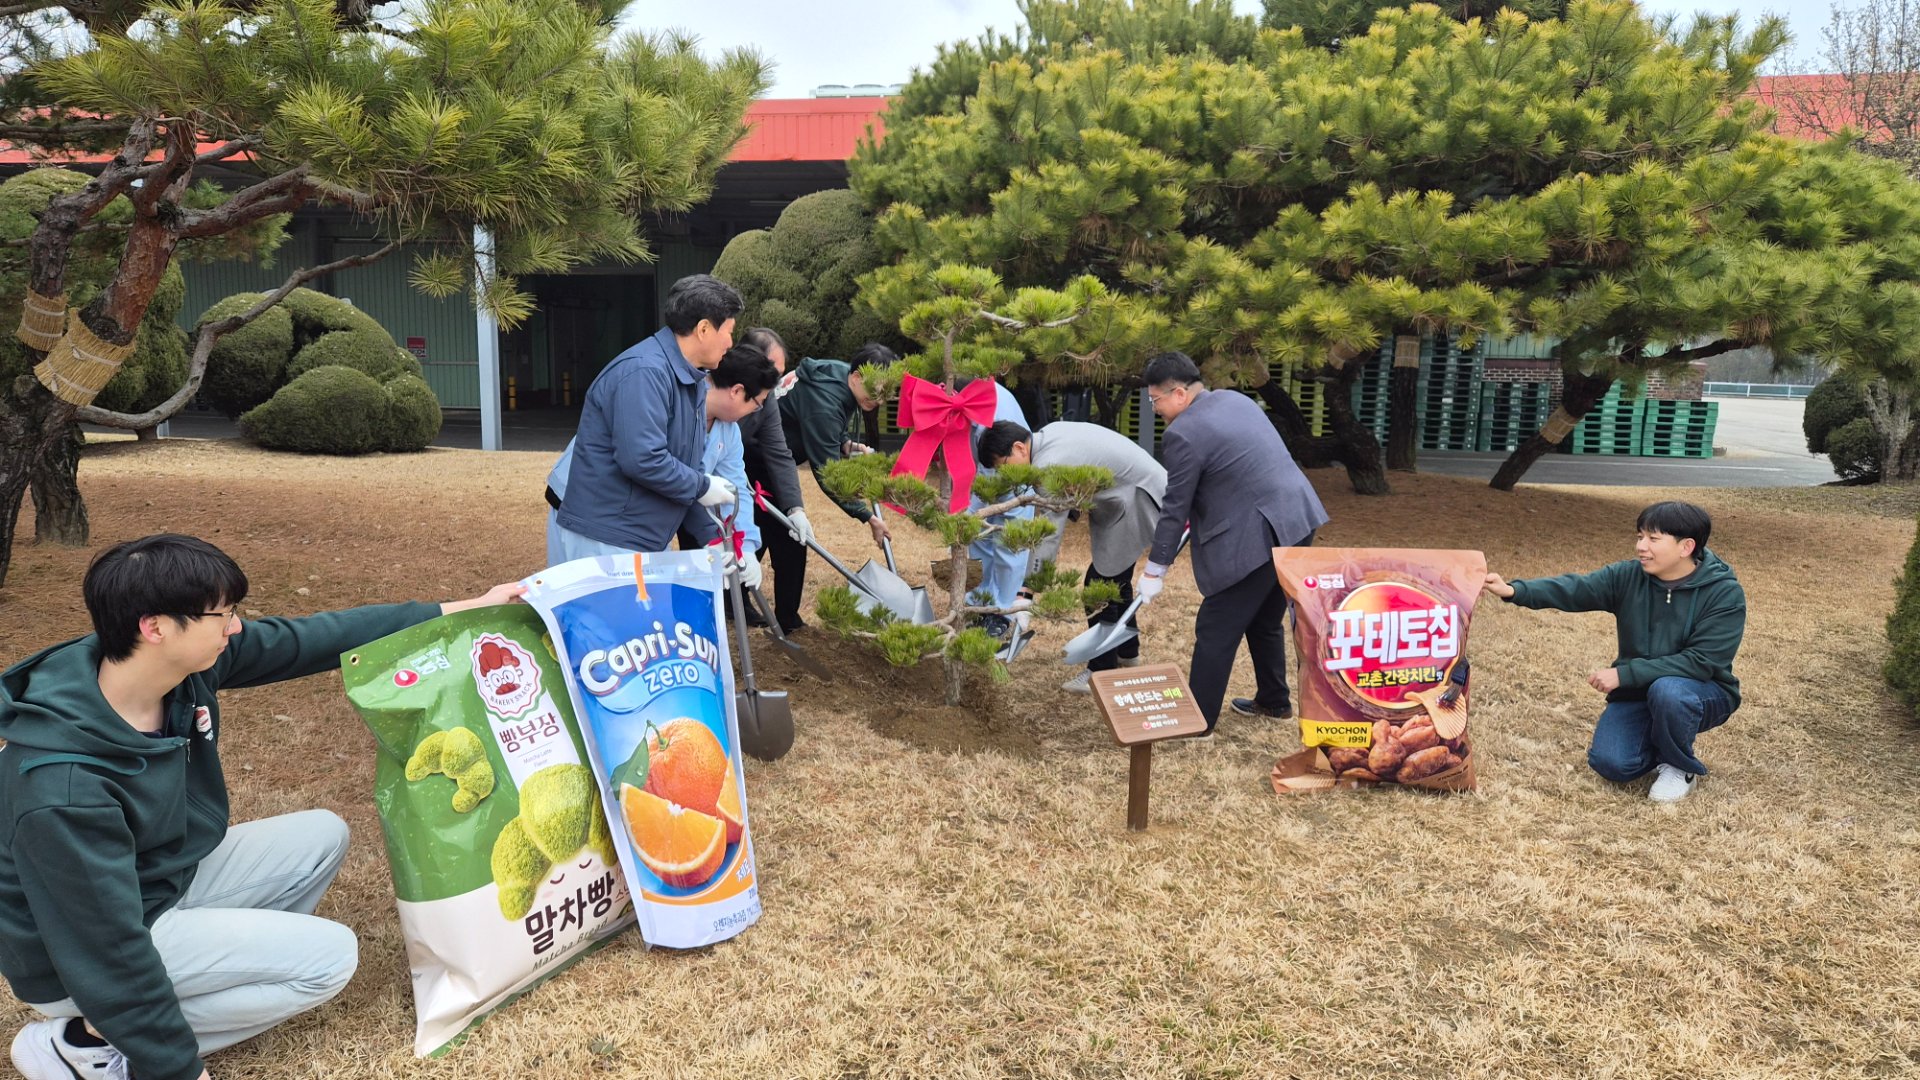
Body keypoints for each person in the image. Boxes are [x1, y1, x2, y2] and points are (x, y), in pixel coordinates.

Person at [0, 534, 521, 1080]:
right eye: (222, 615)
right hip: (73, 958)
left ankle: (188, 986)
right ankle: (86, 1043)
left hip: (153, 882)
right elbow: (107, 951)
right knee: (328, 960)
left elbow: (310, 638)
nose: (236, 627)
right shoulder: (62, 787)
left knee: (323, 835)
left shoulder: (176, 669)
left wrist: (461, 608)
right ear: (155, 627)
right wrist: (179, 1070)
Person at [1481, 501, 1745, 802]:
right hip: (1638, 693)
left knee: (1669, 692)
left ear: (1686, 547)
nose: (1641, 546)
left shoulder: (1724, 593)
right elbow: (1576, 589)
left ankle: (1678, 765)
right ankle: (1660, 740)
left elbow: (1701, 662)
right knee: (1612, 764)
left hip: (1701, 692)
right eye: (1640, 536)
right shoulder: (1628, 576)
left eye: (1653, 539)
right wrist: (1514, 590)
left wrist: (1624, 674)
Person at [1135, 351, 1328, 733]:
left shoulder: (1182, 433)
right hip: (1297, 516)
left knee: (1216, 625)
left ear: (1178, 394)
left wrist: (1155, 570)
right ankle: (1274, 700)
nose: (1155, 409)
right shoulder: (1234, 400)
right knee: (1264, 617)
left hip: (1258, 531)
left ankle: (1197, 721)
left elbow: (1175, 506)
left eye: (1155, 400)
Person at [552, 274, 744, 560]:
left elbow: (684, 470)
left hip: (639, 538)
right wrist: (703, 486)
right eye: (728, 331)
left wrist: (712, 538)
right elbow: (642, 459)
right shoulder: (644, 372)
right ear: (704, 329)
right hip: (608, 538)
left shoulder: (690, 379)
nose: (730, 342)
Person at [977, 420, 1167, 692]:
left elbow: (1049, 534)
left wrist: (1026, 592)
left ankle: (1100, 673)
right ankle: (1128, 653)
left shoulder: (1049, 466)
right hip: (1132, 493)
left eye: (1003, 467)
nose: (1005, 476)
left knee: (1099, 584)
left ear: (1019, 448)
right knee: (1115, 579)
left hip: (1140, 498)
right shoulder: (1049, 435)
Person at [675, 342, 783, 589]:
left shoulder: (729, 431)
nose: (756, 411)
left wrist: (746, 546)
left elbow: (736, 489)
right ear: (736, 391)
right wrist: (710, 537)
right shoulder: (680, 406)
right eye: (757, 403)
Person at [738, 327, 814, 631]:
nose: (776, 382)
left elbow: (779, 452)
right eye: (772, 372)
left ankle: (786, 615)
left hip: (754, 473)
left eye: (780, 374)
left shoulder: (767, 397)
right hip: (714, 478)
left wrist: (796, 508)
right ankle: (728, 604)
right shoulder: (717, 389)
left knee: (786, 533)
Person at [780, 342, 888, 551]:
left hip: (775, 463)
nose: (880, 400)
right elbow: (828, 472)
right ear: (857, 377)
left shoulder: (839, 374)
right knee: (785, 544)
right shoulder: (824, 404)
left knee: (790, 546)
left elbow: (832, 423)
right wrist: (869, 517)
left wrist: (845, 442)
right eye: (876, 391)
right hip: (758, 463)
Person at [955, 377, 1033, 633]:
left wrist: (970, 512)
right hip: (986, 474)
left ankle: (1001, 612)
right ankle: (980, 604)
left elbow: (997, 464)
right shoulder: (972, 401)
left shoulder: (994, 409)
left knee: (1009, 546)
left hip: (1013, 476)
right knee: (979, 540)